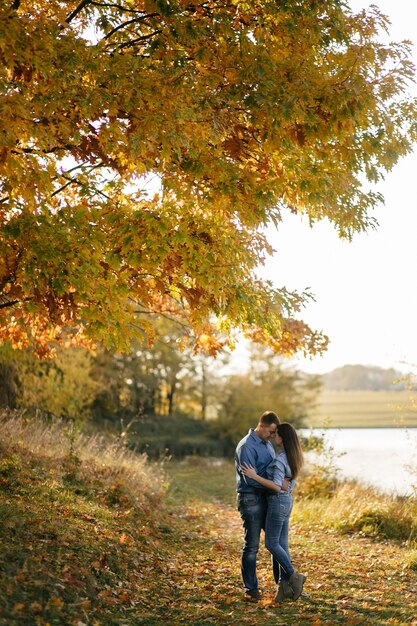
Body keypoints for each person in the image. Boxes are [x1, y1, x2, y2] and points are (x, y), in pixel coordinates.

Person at [241, 422, 306, 602]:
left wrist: (254, 476)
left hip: (278, 502)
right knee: (282, 545)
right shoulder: (293, 456)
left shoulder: (280, 459)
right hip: (287, 501)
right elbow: (284, 484)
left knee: (271, 543)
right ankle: (284, 587)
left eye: (277, 434)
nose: (274, 436)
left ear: (282, 438)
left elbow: (277, 486)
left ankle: (294, 576)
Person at [235, 411, 290, 602]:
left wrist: (277, 484)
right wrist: (275, 487)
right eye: (271, 432)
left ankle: (284, 586)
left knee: (276, 545)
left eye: (275, 433)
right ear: (262, 425)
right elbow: (248, 479)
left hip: (268, 498)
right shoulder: (246, 446)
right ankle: (251, 590)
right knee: (252, 546)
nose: (273, 436)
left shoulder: (268, 445)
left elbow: (272, 472)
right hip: (251, 499)